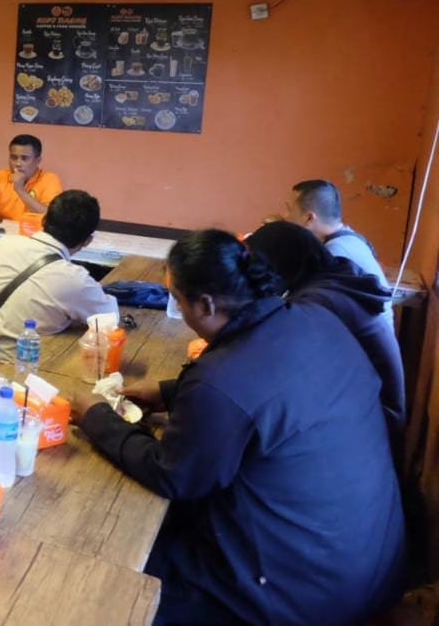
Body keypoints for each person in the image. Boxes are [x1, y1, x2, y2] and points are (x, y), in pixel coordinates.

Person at [69, 230, 405, 624]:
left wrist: (96, 417)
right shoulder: (315, 320)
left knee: (112, 570)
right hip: (370, 565)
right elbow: (269, 387)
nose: (179, 310)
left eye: (178, 300)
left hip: (300, 597)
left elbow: (175, 475)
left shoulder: (220, 381)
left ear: (207, 304)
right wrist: (169, 392)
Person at [245, 221, 405, 456]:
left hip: (371, 429)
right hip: (376, 416)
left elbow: (279, 367)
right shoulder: (334, 278)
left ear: (278, 262)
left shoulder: (318, 302)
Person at [0, 190, 118, 351]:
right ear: (88, 241)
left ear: (43, 220)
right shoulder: (75, 279)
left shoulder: (2, 245)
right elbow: (110, 320)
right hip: (22, 363)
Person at [286, 179, 391, 294]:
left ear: (309, 218)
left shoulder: (335, 252)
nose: (286, 216)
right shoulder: (348, 237)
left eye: (289, 210)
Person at [0, 134, 63, 224]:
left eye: (24, 158)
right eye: (13, 157)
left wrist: (20, 190)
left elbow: (51, 217)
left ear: (38, 161)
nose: (18, 163)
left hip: (34, 234)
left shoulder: (50, 179)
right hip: (4, 234)